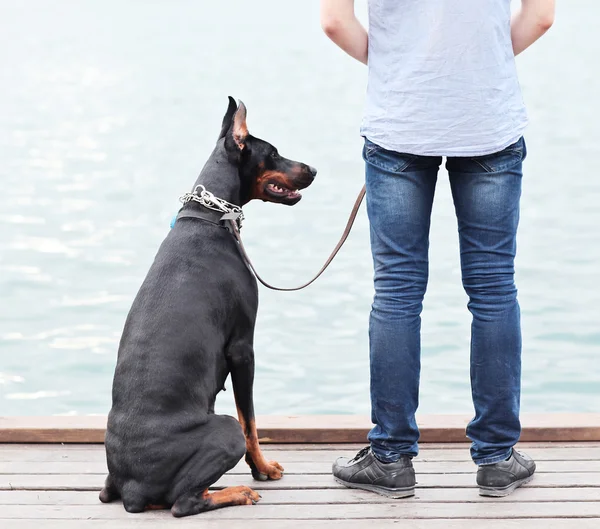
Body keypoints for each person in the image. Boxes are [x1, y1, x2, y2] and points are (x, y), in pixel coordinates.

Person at [320, 0, 555, 498]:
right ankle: (496, 459)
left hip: (401, 117)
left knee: (397, 292)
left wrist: (403, 63)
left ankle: (390, 459)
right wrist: (480, 61)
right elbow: (541, 17)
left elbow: (335, 22)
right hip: (487, 119)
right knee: (493, 290)